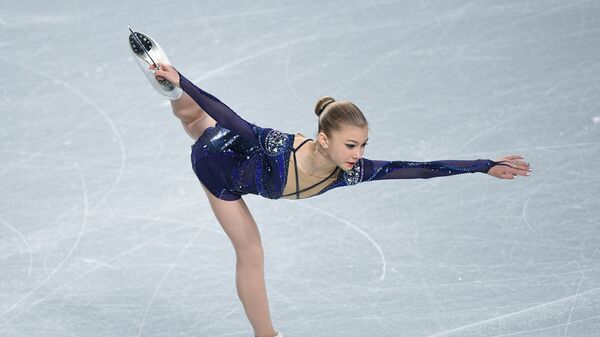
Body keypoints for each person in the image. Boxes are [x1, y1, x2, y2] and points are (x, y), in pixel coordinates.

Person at [129, 31, 532, 337]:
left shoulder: (354, 170)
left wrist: (484, 166)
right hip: (219, 167)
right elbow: (231, 117)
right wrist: (188, 80)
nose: (359, 153)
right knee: (248, 245)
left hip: (230, 146)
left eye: (363, 145)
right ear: (325, 140)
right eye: (351, 145)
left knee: (196, 122)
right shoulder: (278, 147)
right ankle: (175, 85)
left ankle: (171, 88)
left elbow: (420, 169)